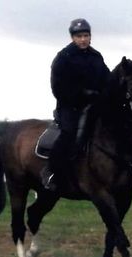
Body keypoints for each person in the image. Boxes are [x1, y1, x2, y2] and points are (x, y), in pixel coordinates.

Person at [41, 18, 110, 191]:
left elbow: (106, 80)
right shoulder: (63, 57)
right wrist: (82, 94)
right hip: (70, 107)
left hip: (93, 106)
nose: (83, 39)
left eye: (86, 35)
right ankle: (51, 171)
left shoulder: (96, 57)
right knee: (69, 134)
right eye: (79, 36)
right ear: (73, 37)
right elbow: (58, 87)